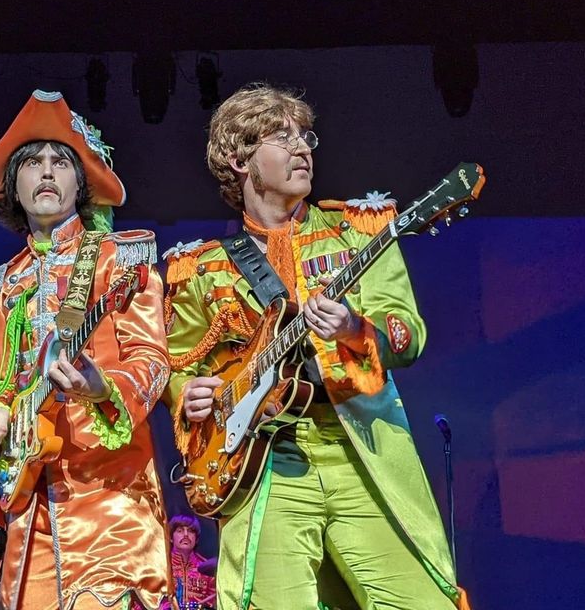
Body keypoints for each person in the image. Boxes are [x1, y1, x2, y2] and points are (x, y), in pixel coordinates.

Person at [162, 84, 470, 610]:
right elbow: (178, 364)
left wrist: (354, 328)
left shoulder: (357, 232)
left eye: (306, 135)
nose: (303, 147)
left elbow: (407, 332)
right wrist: (188, 393)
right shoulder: (201, 266)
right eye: (282, 137)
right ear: (240, 159)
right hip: (264, 463)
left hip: (361, 445)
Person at [0, 89, 172, 610]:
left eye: (62, 162)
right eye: (33, 163)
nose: (48, 172)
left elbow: (152, 361)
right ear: (14, 185)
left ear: (82, 184)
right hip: (27, 505)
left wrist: (102, 387)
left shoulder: (117, 260)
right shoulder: (4, 283)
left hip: (109, 498)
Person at [163, 514, 217, 610]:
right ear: (170, 537)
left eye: (191, 531)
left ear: (196, 539)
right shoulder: (159, 565)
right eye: (180, 531)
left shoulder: (207, 568)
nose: (186, 535)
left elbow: (213, 604)